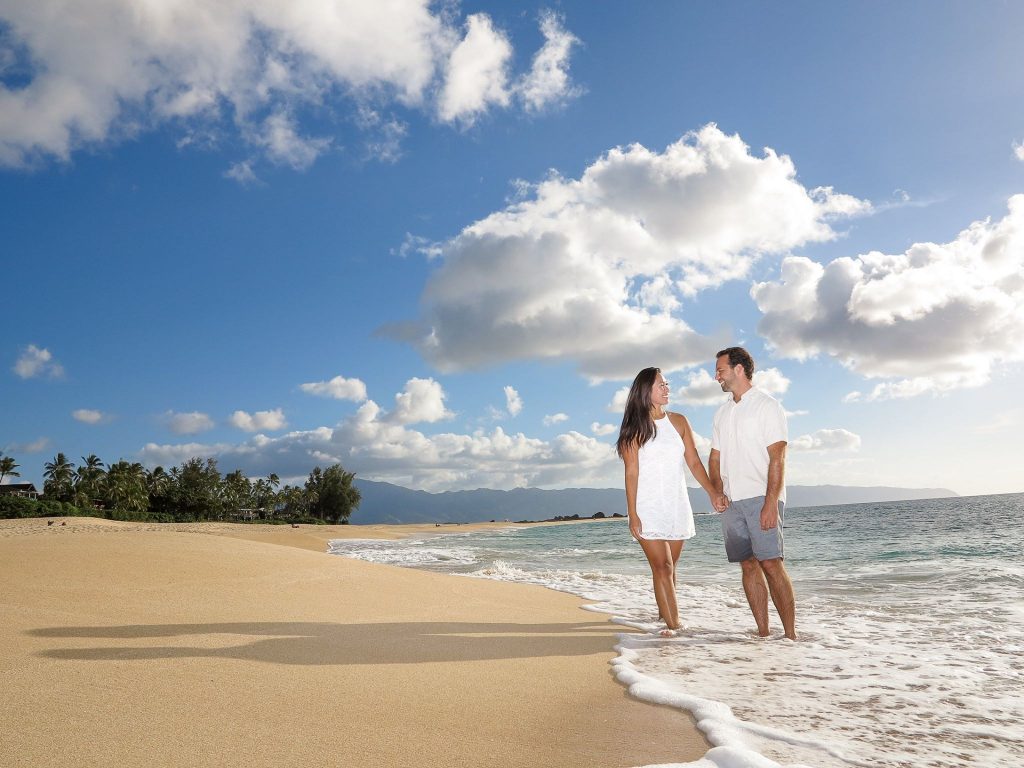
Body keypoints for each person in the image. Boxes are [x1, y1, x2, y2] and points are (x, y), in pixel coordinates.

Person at [617, 367, 728, 637]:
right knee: (663, 567)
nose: (667, 389)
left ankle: (662, 615)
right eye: (661, 385)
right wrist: (633, 513)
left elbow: (693, 461)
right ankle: (675, 626)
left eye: (667, 384)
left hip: (676, 504)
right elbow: (631, 473)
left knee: (670, 568)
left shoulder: (679, 421)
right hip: (648, 507)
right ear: (646, 391)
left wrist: (713, 491)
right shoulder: (634, 429)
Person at [709, 347, 797, 640]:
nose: (716, 376)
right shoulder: (722, 412)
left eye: (720, 369)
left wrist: (771, 502)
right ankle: (762, 632)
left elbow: (778, 456)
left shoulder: (767, 406)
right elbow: (715, 458)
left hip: (762, 496)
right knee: (747, 564)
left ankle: (790, 636)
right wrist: (716, 491)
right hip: (732, 502)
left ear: (738, 369)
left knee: (771, 563)